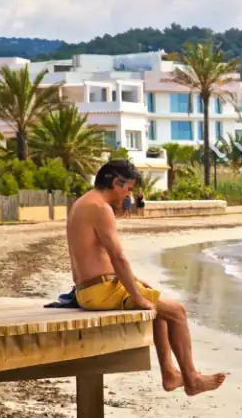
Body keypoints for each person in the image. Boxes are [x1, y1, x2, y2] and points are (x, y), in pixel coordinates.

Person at [67, 160, 226, 396]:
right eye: (128, 189)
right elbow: (117, 257)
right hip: (101, 292)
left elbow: (101, 260)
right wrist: (136, 295)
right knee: (178, 311)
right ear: (115, 182)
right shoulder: (100, 208)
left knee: (160, 312)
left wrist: (136, 282)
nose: (128, 195)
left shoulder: (84, 202)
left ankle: (171, 375)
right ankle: (192, 379)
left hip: (90, 290)